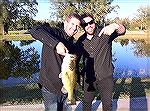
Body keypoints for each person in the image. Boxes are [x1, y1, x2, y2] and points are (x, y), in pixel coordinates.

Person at [29, 13, 82, 111]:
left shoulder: (74, 44)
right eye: (73, 24)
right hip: (50, 87)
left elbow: (75, 68)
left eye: (78, 26)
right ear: (65, 23)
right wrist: (56, 44)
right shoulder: (54, 33)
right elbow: (34, 30)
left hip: (67, 88)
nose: (75, 28)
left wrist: (75, 84)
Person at [78, 13, 126, 111]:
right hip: (89, 78)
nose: (89, 26)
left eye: (91, 22)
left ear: (94, 22)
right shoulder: (80, 40)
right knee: (86, 103)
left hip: (106, 77)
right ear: (83, 27)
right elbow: (74, 57)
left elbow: (123, 31)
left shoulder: (105, 33)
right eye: (85, 24)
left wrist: (115, 25)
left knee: (107, 104)